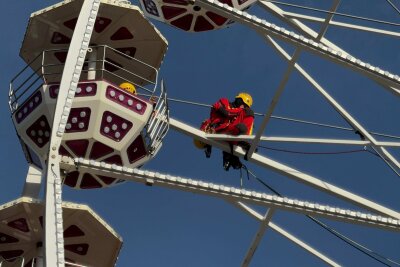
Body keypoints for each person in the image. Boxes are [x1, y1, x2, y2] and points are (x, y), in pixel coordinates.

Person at [195, 92, 254, 171]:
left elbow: (246, 127)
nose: (243, 106)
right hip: (217, 129)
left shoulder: (241, 112)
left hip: (230, 132)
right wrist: (240, 111)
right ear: (237, 100)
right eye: (241, 103)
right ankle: (231, 152)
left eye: (245, 106)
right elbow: (227, 112)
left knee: (244, 124)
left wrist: (246, 140)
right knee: (245, 116)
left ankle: (232, 153)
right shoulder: (225, 101)